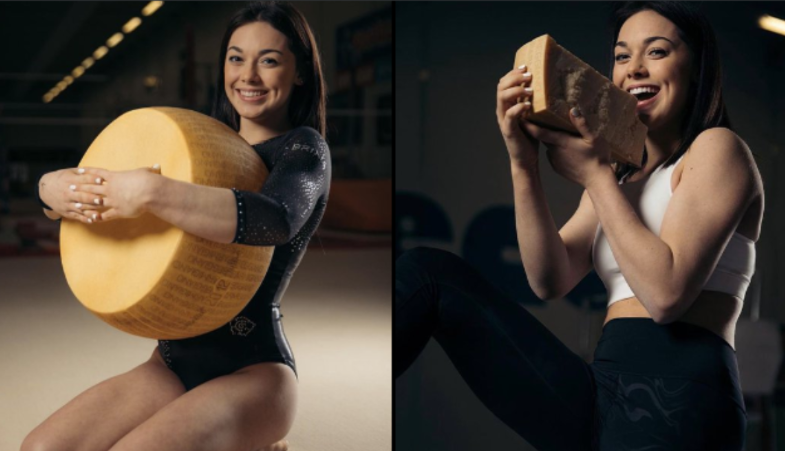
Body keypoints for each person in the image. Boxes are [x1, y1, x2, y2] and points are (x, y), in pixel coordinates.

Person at [395, 2, 763, 450]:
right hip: (601, 388)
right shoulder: (618, 178)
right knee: (427, 276)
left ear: (697, 66)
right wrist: (523, 163)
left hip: (682, 398)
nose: (634, 68)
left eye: (657, 51)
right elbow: (549, 278)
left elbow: (666, 295)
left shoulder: (718, 149)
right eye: (622, 56)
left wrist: (595, 175)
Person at [24, 2, 329, 450]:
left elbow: (275, 219)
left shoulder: (303, 149)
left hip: (256, 371)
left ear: (299, 72)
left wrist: (152, 191)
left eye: (268, 60)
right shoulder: (199, 140)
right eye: (236, 58)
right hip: (171, 363)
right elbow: (112, 189)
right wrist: (51, 189)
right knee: (40, 449)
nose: (248, 75)